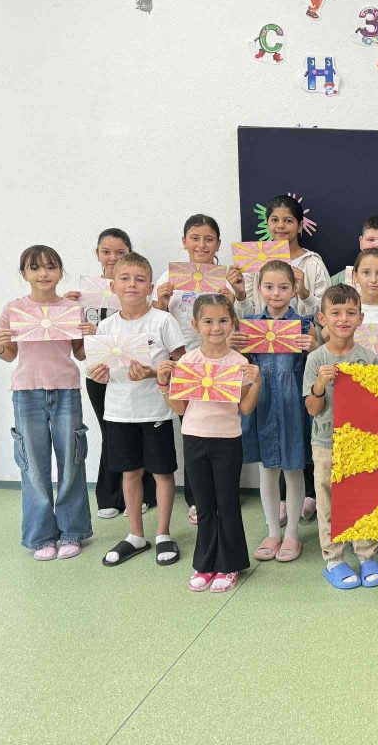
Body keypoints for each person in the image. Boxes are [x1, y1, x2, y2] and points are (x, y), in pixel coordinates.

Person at [157, 294, 261, 593]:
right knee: (204, 505)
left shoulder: (239, 362)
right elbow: (180, 407)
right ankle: (204, 564)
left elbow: (245, 408)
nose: (216, 327)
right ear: (195, 324)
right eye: (208, 321)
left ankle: (229, 565)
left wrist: (257, 382)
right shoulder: (188, 362)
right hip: (194, 438)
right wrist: (164, 384)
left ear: (233, 323)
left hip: (227, 440)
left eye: (223, 320)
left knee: (227, 503)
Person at [0, 245, 93, 560]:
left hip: (66, 390)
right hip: (27, 392)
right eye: (35, 268)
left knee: (71, 462)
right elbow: (9, 354)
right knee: (33, 467)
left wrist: (91, 337)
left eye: (50, 266)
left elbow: (80, 354)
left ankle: (73, 532)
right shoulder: (14, 308)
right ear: (24, 273)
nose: (43, 273)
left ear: (60, 272)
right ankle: (40, 537)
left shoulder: (72, 308)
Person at [90, 252, 186, 566]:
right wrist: (98, 375)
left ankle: (163, 533)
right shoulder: (106, 326)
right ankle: (135, 535)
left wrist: (154, 372)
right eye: (125, 278)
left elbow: (183, 364)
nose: (132, 284)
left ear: (150, 287)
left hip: (156, 410)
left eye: (140, 279)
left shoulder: (163, 321)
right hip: (119, 411)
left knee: (162, 472)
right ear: (113, 286)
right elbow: (100, 368)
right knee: (129, 473)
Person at [238, 196, 330, 523]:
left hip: (294, 388)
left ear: (299, 225)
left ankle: (298, 516)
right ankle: (274, 525)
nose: (281, 226)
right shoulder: (254, 265)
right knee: (269, 463)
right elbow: (248, 311)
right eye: (274, 220)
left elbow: (323, 313)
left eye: (288, 220)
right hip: (263, 390)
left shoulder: (311, 264)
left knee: (295, 455)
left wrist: (312, 340)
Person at [153, 214, 243, 524]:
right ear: (184, 242)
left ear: (217, 243)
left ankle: (224, 494)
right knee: (191, 428)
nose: (201, 245)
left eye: (208, 239)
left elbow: (240, 322)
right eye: (194, 238)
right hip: (186, 362)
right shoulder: (169, 276)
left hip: (221, 361)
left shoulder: (225, 277)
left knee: (221, 424)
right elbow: (158, 320)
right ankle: (196, 499)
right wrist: (161, 301)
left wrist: (236, 299)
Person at [230, 260, 315, 564]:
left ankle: (292, 533)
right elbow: (237, 364)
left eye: (283, 287)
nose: (276, 293)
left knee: (294, 468)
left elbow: (316, 363)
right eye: (269, 286)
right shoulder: (250, 324)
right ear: (259, 288)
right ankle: (272, 531)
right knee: (267, 469)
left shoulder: (304, 325)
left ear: (294, 289)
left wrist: (313, 346)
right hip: (263, 402)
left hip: (292, 404)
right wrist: (234, 345)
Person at [303, 284, 378, 589]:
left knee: (363, 498)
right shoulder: (316, 359)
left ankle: (366, 555)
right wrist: (319, 385)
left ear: (360, 318)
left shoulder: (368, 358)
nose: (343, 319)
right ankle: (334, 559)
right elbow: (312, 409)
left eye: (351, 313)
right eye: (336, 313)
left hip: (361, 444)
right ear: (322, 318)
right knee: (327, 500)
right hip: (325, 443)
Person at [82, 229, 157, 518]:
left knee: (141, 430)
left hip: (138, 373)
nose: (112, 257)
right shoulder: (85, 292)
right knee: (111, 433)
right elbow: (80, 351)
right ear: (97, 254)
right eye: (106, 251)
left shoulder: (137, 286)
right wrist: (72, 314)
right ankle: (111, 495)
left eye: (120, 252)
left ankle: (143, 495)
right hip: (103, 371)